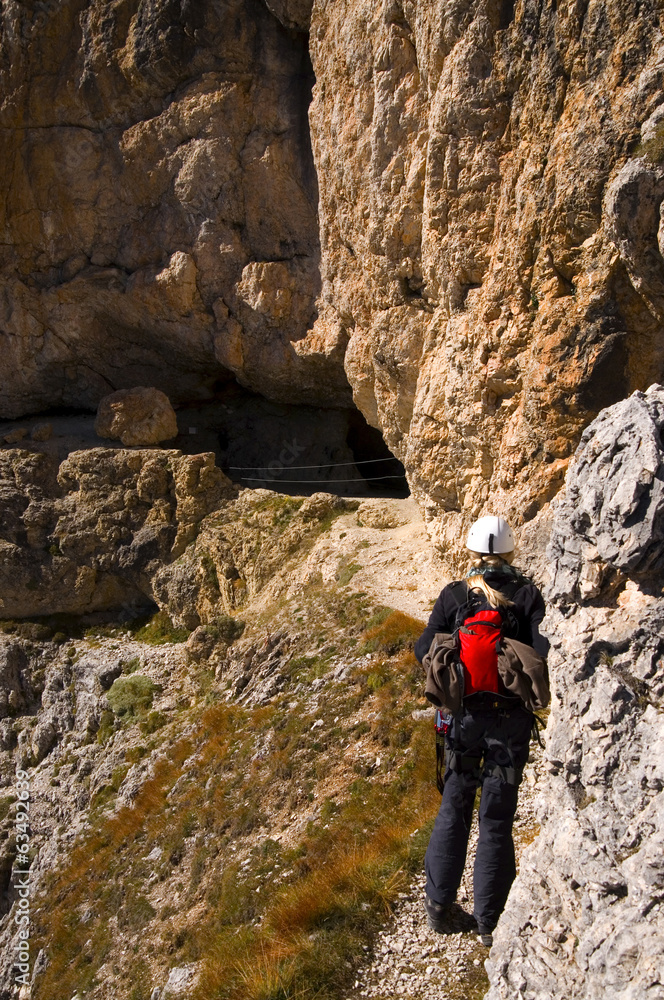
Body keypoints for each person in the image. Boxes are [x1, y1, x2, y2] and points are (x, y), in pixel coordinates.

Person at [414, 515, 549, 947]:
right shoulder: (526, 596)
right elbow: (543, 651)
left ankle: (439, 907)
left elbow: (423, 648)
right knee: (495, 818)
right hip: (509, 724)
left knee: (454, 805)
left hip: (462, 721)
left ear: (471, 550)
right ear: (510, 551)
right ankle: (490, 922)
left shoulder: (455, 595)